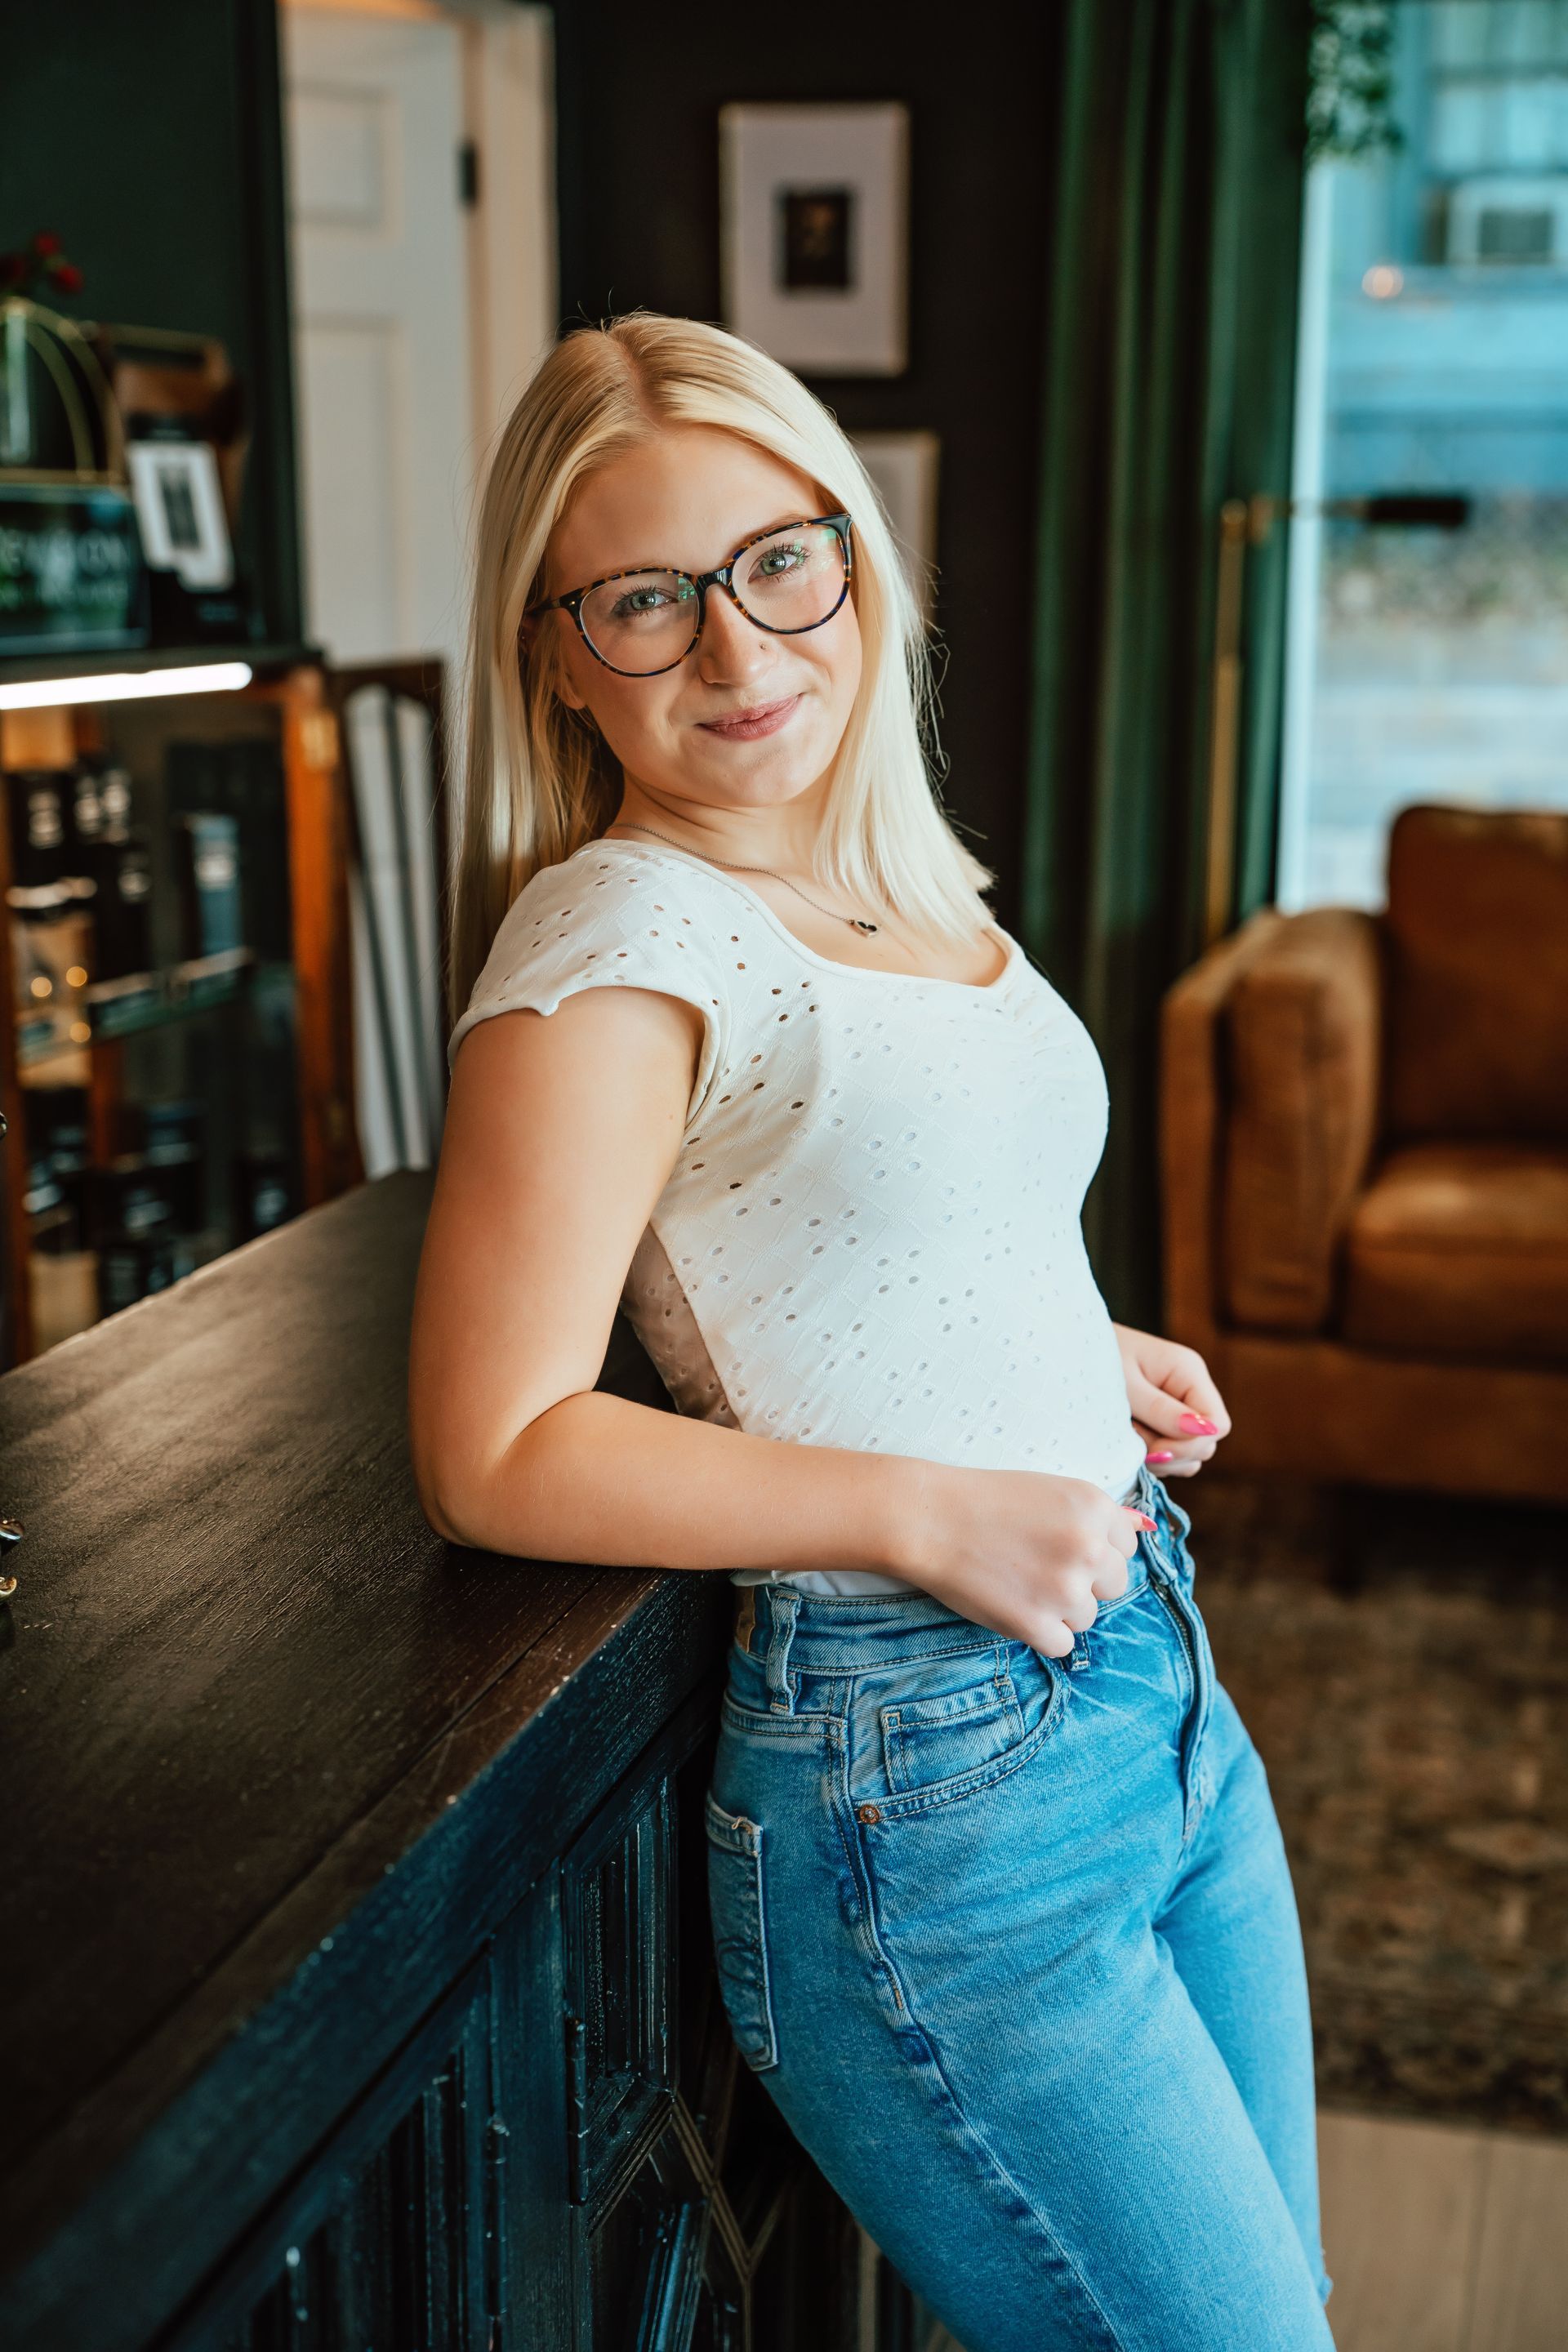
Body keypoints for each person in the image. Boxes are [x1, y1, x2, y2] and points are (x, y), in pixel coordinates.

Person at [408, 312, 1334, 2352]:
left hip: (1152, 1699)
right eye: (646, 605)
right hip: (931, 1779)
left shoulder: (877, 882)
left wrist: (1062, 1342)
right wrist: (930, 1507)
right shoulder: (616, 940)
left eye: (775, 564)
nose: (738, 655)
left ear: (852, 554)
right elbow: (496, 1442)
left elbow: (865, 1210)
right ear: (561, 649)